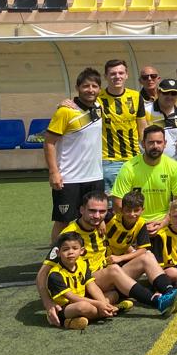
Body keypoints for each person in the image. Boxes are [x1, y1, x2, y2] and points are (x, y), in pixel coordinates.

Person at [36, 191, 177, 328]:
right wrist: (48, 304)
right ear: (81, 210)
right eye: (92, 211)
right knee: (113, 271)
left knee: (146, 256)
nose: (97, 216)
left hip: (104, 280)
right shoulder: (68, 236)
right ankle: (157, 302)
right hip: (87, 283)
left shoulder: (102, 223)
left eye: (102, 212)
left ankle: (169, 292)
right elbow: (42, 274)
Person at [44, 68, 104, 244]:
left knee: (96, 218)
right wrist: (54, 172)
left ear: (99, 89)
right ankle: (55, 255)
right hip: (69, 178)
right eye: (86, 86)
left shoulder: (99, 106)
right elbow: (49, 143)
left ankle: (92, 254)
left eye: (94, 86)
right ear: (77, 88)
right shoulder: (65, 111)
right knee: (63, 221)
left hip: (95, 176)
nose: (90, 90)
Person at [110, 125, 177, 233]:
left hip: (164, 218)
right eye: (151, 142)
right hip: (135, 217)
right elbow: (117, 203)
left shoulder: (173, 166)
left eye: (159, 142)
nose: (155, 146)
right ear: (143, 144)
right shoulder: (129, 167)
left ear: (165, 144)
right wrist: (137, 224)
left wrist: (164, 222)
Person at [97, 59, 147, 194]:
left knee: (136, 199)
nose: (117, 76)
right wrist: (66, 102)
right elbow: (78, 105)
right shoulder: (98, 98)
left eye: (120, 73)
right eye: (113, 73)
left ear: (126, 75)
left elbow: (142, 128)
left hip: (134, 158)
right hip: (109, 160)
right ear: (106, 76)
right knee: (112, 200)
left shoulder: (136, 96)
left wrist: (146, 153)